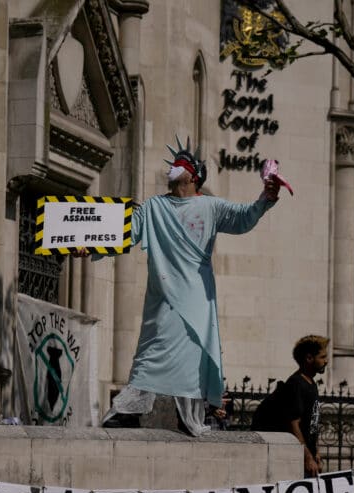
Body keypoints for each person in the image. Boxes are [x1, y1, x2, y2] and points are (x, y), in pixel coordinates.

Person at [89, 137, 284, 436]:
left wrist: (266, 199)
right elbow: (125, 232)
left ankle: (190, 416)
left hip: (195, 302)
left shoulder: (211, 206)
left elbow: (244, 219)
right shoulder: (153, 207)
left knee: (191, 361)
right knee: (150, 353)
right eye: (174, 163)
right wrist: (88, 244)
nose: (174, 166)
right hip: (163, 298)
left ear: (193, 176)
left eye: (182, 163)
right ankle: (126, 411)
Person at [251, 334, 331, 493]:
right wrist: (306, 454)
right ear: (309, 359)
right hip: (297, 458)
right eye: (322, 357)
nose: (326, 361)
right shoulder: (297, 384)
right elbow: (293, 423)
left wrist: (315, 450)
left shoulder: (311, 384)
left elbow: (310, 424)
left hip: (306, 456)